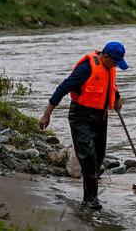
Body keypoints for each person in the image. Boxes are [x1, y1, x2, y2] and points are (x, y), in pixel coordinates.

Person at [39, 41, 128, 210]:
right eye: (115, 61)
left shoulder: (109, 67)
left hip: (101, 116)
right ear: (106, 56)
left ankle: (90, 196)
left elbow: (111, 86)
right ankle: (90, 200)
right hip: (81, 116)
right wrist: (47, 114)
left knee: (98, 157)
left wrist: (116, 98)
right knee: (88, 157)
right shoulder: (86, 68)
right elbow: (63, 88)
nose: (116, 65)